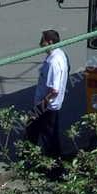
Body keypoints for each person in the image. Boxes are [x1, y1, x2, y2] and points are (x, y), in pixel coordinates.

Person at [27, 30, 68, 161]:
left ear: (49, 42)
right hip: (50, 105)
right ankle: (31, 158)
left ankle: (53, 167)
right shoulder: (60, 54)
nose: (40, 43)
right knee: (35, 130)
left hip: (46, 106)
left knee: (48, 137)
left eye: (42, 40)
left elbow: (54, 90)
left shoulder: (53, 62)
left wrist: (41, 106)